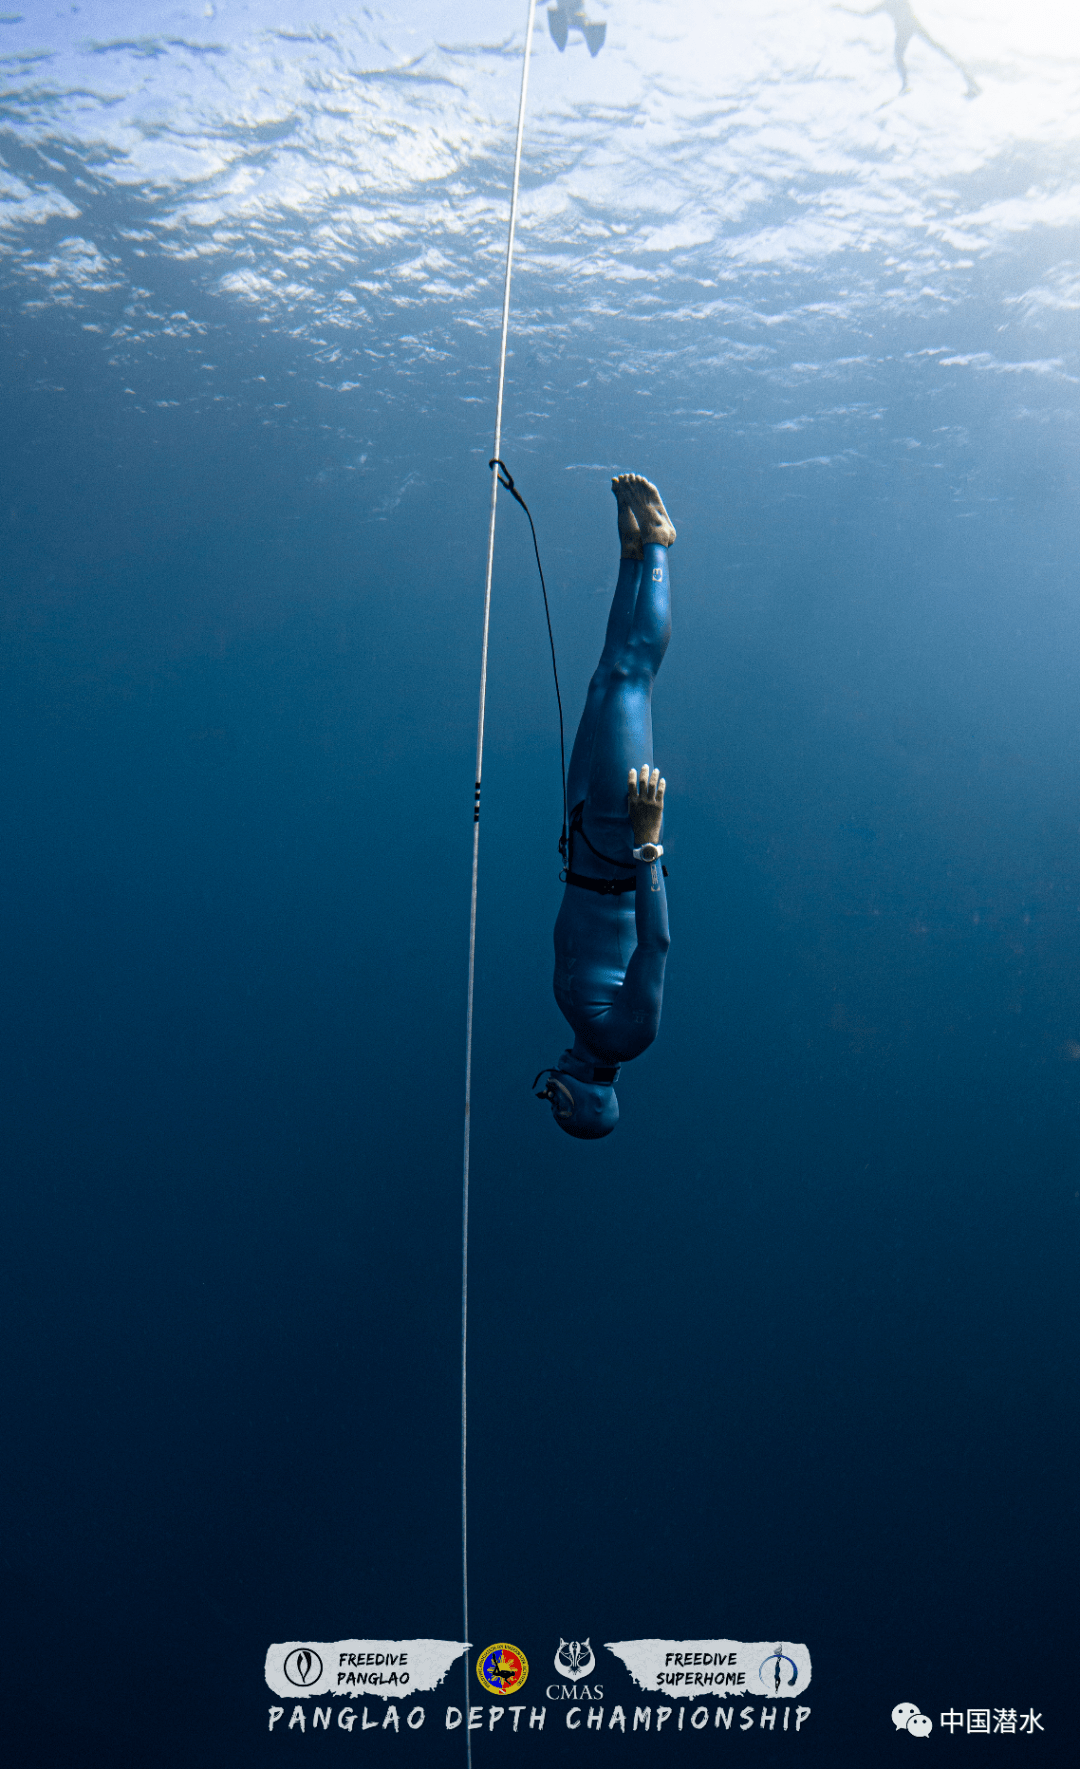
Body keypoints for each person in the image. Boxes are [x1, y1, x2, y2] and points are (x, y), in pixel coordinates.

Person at [535, 474, 674, 1140]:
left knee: (604, 673)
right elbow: (657, 943)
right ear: (587, 1102)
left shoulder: (577, 1020)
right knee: (630, 678)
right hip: (621, 841)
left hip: (582, 834)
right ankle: (659, 545)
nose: (550, 1088)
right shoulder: (627, 1036)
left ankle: (630, 554)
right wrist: (649, 843)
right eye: (559, 1100)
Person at [838, 0, 980, 99]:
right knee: (916, 52)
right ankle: (905, 85)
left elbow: (864, 14)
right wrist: (842, 8)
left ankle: (906, 84)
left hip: (909, 26)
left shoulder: (886, 4)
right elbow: (864, 14)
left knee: (908, 54)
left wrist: (841, 8)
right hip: (908, 28)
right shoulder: (885, 4)